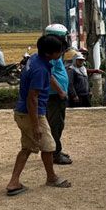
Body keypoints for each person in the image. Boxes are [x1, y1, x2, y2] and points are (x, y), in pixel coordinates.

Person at [5, 34, 71, 196]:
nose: (62, 54)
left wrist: (60, 91)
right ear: (50, 53)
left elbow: (49, 77)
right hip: (31, 114)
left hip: (23, 112)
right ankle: (51, 178)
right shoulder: (40, 69)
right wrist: (36, 125)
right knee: (48, 146)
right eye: (60, 52)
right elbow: (32, 98)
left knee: (27, 148)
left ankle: (13, 182)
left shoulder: (37, 59)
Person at [43, 24, 71, 166]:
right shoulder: (52, 55)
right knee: (55, 124)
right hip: (54, 96)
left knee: (58, 124)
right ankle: (55, 153)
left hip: (56, 95)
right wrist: (61, 91)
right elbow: (49, 76)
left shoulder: (55, 54)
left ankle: (56, 149)